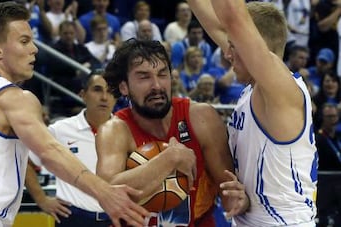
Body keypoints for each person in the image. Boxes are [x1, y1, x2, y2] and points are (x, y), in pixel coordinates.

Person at [0, 2, 148, 227]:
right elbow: (48, 151)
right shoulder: (13, 97)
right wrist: (104, 192)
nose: (35, 49)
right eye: (24, 41)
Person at [188, 0, 318, 226]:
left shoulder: (279, 90)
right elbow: (216, 22)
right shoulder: (254, 81)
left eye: (233, 46)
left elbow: (233, 16)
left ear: (254, 46)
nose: (227, 55)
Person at [96, 39, 246, 226]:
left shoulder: (201, 117)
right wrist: (170, 158)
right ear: (124, 87)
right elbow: (106, 192)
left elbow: (230, 193)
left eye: (162, 74)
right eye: (144, 77)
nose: (157, 85)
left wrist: (242, 200)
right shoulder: (115, 130)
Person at [26, 69, 117, 226]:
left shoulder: (126, 131)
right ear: (82, 94)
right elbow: (26, 162)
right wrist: (42, 200)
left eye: (110, 92)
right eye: (97, 89)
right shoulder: (60, 130)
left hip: (115, 218)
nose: (104, 97)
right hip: (72, 218)